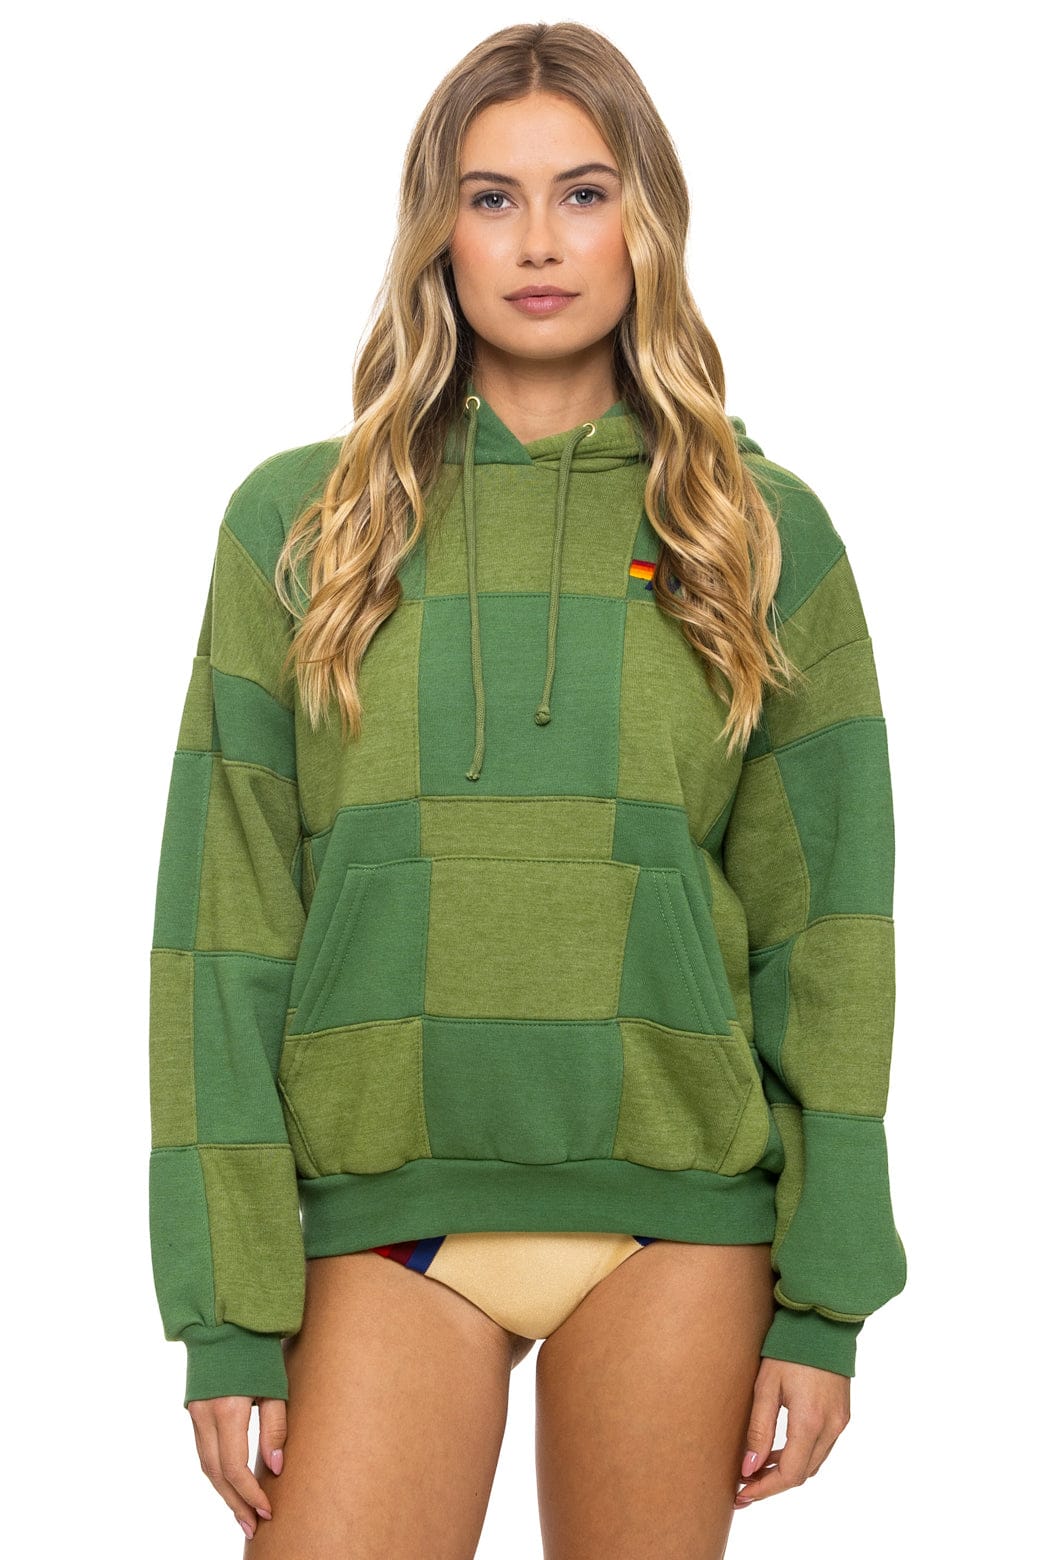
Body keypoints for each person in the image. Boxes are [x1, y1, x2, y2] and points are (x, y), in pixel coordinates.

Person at [147, 20, 907, 1558]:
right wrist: (224, 1314)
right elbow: (221, 931)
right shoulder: (301, 527)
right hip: (384, 1209)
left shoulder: (757, 534)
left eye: (584, 192)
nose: (540, 241)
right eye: (492, 198)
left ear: (647, 222)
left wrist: (825, 1304)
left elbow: (828, 940)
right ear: (438, 229)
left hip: (679, 1210)